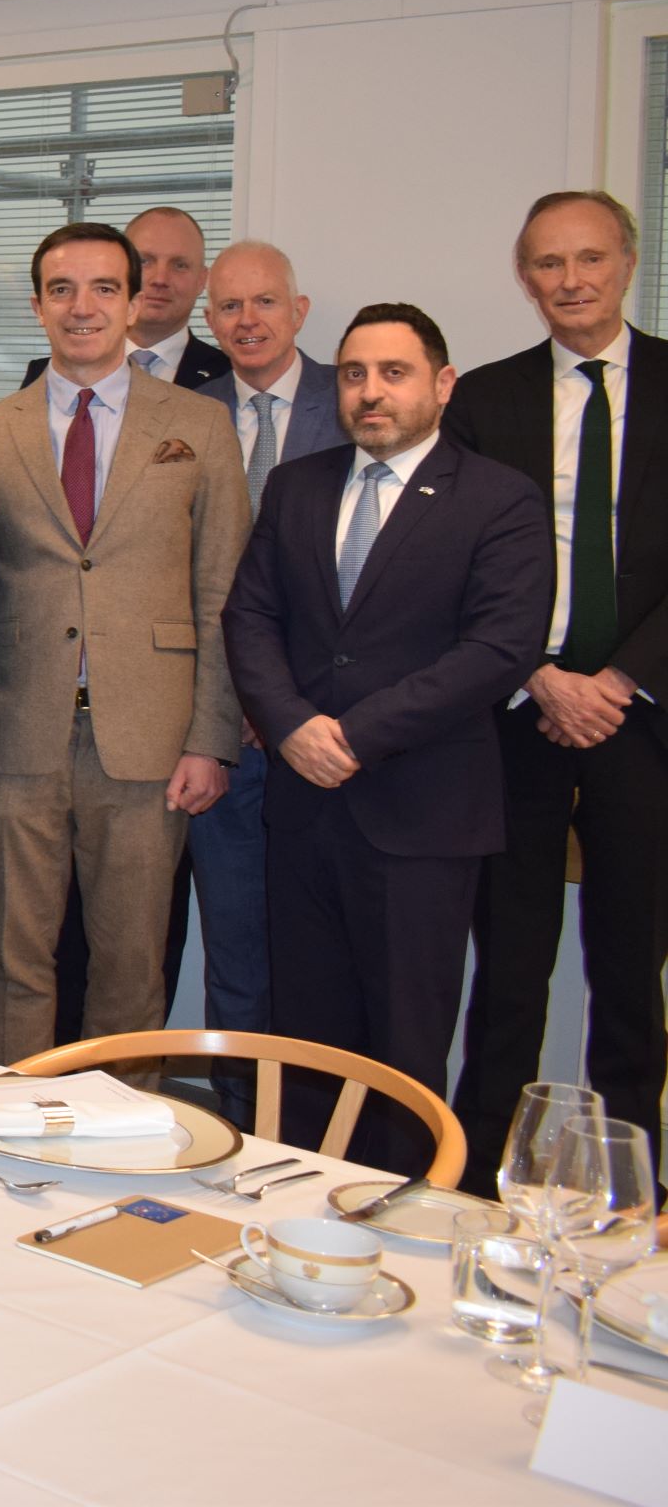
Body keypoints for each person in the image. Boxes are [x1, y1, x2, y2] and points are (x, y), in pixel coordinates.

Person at [225, 304, 550, 1174]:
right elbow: (250, 616)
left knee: (405, 1046)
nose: (371, 392)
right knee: (305, 1039)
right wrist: (291, 724)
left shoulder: (499, 497)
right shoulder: (297, 486)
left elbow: (500, 649)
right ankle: (297, 1202)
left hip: (422, 816)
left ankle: (401, 1211)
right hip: (304, 809)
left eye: (394, 373)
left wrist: (355, 736)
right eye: (356, 374)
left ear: (442, 384)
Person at [0, 222, 249, 1064]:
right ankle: (4, 1115)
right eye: (61, 290)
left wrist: (211, 739)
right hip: (16, 730)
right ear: (37, 306)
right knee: (11, 962)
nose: (81, 307)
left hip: (150, 742)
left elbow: (223, 593)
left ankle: (122, 1123)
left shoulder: (200, 425)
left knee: (131, 968)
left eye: (102, 288)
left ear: (134, 304)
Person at [449, 191, 668, 1188]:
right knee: (508, 963)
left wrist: (619, 679)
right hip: (517, 714)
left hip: (643, 718)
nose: (570, 280)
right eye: (548, 262)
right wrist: (535, 671)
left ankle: (626, 1184)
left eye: (589, 258)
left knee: (632, 967)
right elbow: (456, 563)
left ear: (627, 261)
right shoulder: (483, 400)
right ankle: (480, 1171)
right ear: (524, 275)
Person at [166, 241, 347, 1106]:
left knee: (321, 953)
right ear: (210, 319)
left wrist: (282, 702)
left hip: (325, 729)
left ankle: (311, 1126)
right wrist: (228, 700)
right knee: (235, 949)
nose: (247, 321)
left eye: (265, 302)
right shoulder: (180, 416)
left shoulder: (352, 403)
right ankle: (239, 1121)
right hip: (217, 732)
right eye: (230, 307)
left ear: (299, 310)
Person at [21, 206, 229, 392]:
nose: (160, 279)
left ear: (202, 280)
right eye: (145, 261)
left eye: (179, 265)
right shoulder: (41, 376)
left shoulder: (229, 375)